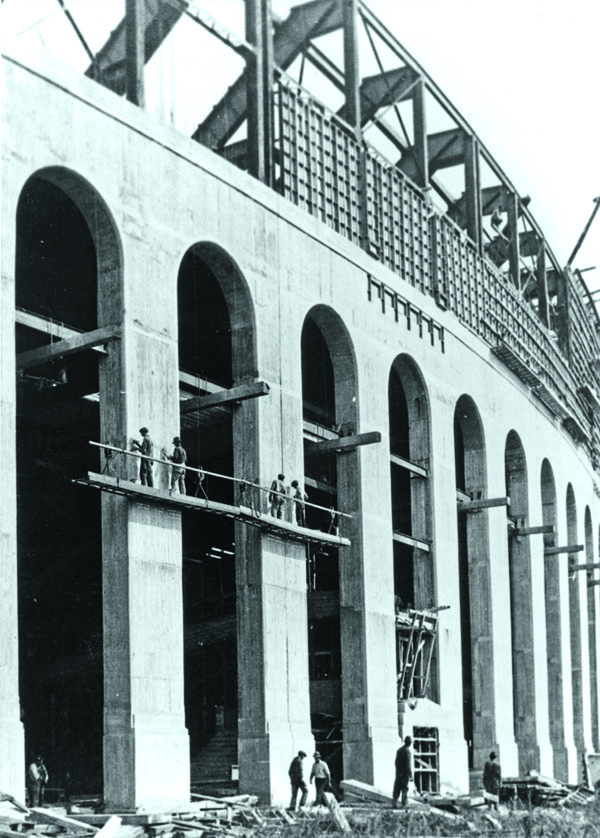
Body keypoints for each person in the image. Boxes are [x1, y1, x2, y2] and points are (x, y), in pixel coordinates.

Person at [393, 736, 413, 808]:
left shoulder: (399, 750)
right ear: (410, 743)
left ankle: (394, 802)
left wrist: (398, 771)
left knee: (397, 788)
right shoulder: (407, 752)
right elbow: (408, 765)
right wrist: (410, 775)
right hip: (404, 775)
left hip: (398, 773)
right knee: (404, 789)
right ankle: (404, 804)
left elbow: (396, 763)